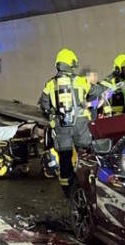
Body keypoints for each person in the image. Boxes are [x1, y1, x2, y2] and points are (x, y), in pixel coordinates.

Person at [38, 48, 92, 195]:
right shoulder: (81, 81)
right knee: (85, 154)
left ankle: (66, 188)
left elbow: (44, 105)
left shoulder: (50, 84)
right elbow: (92, 95)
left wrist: (51, 118)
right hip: (80, 124)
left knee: (65, 156)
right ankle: (86, 183)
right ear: (71, 64)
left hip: (61, 125)